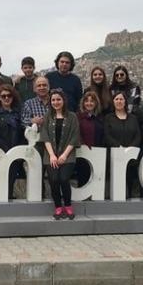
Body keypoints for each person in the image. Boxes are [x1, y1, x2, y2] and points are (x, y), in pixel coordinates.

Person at [40, 89, 81, 220]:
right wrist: (52, 155)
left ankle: (68, 206)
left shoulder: (72, 117)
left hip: (67, 155)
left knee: (64, 179)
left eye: (58, 99)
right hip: (50, 155)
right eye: (53, 100)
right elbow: (45, 136)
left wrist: (64, 155)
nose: (56, 102)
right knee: (53, 180)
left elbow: (74, 137)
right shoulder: (47, 116)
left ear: (63, 101)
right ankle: (58, 207)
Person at [0, 85, 25, 198]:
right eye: (3, 96)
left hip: (15, 151)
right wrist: (5, 149)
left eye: (9, 96)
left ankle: (9, 199)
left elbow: (22, 132)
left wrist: (17, 150)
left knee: (11, 178)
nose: (6, 98)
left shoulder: (18, 113)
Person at [105, 92, 142, 198]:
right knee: (115, 184)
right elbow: (107, 135)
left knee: (129, 181)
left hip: (130, 157)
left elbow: (138, 136)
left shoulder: (133, 118)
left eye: (121, 99)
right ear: (113, 101)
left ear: (125, 101)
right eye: (116, 99)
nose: (119, 101)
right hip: (114, 157)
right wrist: (119, 148)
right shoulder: (108, 118)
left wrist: (130, 148)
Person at [76, 91, 105, 188]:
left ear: (96, 103)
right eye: (86, 101)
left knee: (96, 180)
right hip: (83, 154)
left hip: (97, 153)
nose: (89, 103)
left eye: (92, 101)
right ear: (83, 103)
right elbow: (76, 133)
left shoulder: (100, 118)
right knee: (83, 178)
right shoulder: (78, 117)